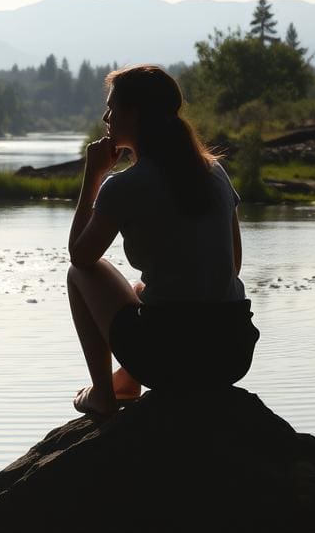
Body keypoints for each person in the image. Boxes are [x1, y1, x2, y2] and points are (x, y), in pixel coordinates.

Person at [67, 64, 259, 416]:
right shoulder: (214, 172)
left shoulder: (123, 185)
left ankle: (104, 395)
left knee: (79, 275)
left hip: (170, 359)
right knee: (140, 290)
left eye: (112, 107)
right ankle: (127, 381)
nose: (106, 117)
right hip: (232, 353)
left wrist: (93, 176)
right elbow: (232, 265)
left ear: (135, 113)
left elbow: (80, 255)